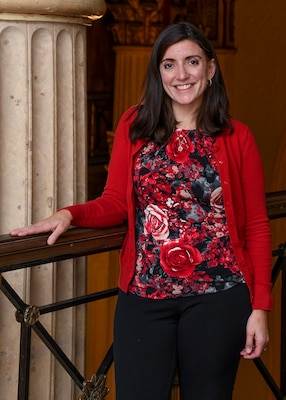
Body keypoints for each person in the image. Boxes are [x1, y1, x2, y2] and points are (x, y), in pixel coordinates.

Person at [10, 22, 272, 400]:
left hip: (219, 297)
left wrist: (260, 307)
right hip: (144, 296)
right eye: (169, 64)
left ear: (211, 69)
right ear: (158, 72)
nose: (181, 75)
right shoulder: (136, 125)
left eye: (192, 62)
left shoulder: (237, 137)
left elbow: (258, 226)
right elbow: (116, 201)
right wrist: (70, 214)